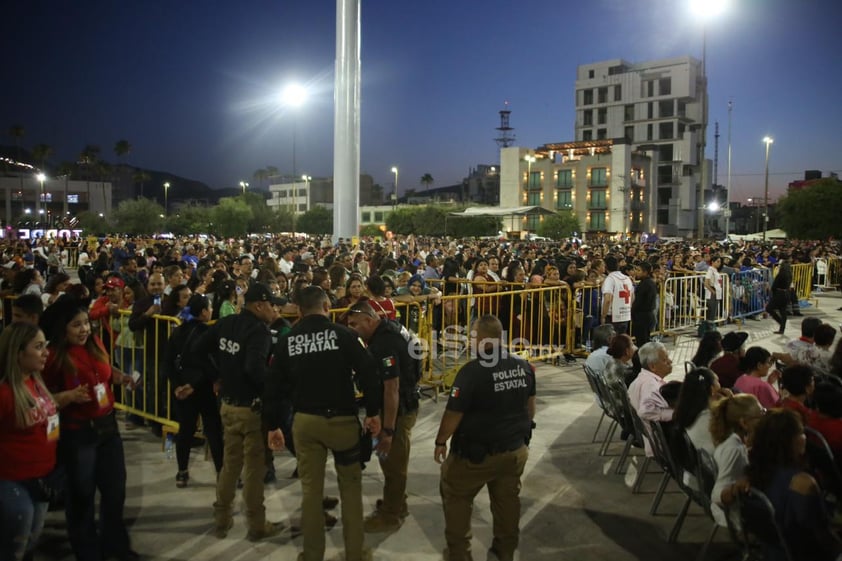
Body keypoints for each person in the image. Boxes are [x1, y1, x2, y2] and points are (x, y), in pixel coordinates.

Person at [265, 286, 382, 561]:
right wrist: (373, 412)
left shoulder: (288, 340)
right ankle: (355, 552)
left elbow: (273, 387)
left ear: (299, 309)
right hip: (342, 420)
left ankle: (312, 553)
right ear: (327, 306)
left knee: (310, 491)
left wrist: (272, 425)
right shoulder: (344, 335)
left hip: (306, 421)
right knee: (351, 490)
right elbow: (369, 371)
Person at [40, 296, 138, 561]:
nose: (84, 329)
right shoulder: (51, 357)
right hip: (78, 434)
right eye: (76, 325)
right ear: (63, 328)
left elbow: (105, 373)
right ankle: (87, 552)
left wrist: (122, 377)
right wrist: (67, 397)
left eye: (86, 323)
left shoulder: (95, 344)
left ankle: (115, 545)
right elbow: (41, 397)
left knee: (115, 492)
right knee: (81, 496)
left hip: (108, 429)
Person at [434, 315, 536, 561]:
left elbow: (453, 413)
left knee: (456, 497)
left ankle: (459, 555)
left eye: (471, 336)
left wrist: (440, 441)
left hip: (475, 456)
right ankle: (504, 552)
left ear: (480, 339)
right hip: (514, 451)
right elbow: (529, 408)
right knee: (507, 504)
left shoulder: (472, 372)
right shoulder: (523, 366)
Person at [196, 283, 283, 541]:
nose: (275, 310)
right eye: (272, 305)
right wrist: (274, 387)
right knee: (255, 468)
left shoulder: (226, 323)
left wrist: (217, 376)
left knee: (230, 465)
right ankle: (257, 525)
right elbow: (254, 369)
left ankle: (222, 519)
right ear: (259, 305)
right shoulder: (259, 331)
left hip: (228, 406)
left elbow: (198, 349)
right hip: (251, 410)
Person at [345, 300, 422, 533]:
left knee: (392, 463)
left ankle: (391, 516)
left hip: (397, 410)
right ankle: (397, 502)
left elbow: (391, 388)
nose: (352, 329)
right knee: (392, 462)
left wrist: (388, 429)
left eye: (354, 324)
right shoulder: (392, 327)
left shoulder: (384, 343)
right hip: (405, 402)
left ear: (369, 320)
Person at [746, 408, 842, 561]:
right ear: (791, 441)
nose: (805, 437)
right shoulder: (802, 484)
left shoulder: (754, 474)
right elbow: (823, 538)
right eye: (801, 432)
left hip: (772, 552)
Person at [0, 323, 61, 561]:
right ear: (17, 353)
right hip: (12, 481)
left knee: (30, 545)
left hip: (42, 478)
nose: (46, 352)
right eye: (38, 347)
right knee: (14, 548)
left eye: (45, 345)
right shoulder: (4, 393)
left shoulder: (36, 381)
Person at [161, 294, 223, 488]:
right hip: (203, 390)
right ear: (204, 311)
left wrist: (177, 386)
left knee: (185, 431)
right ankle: (222, 473)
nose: (211, 311)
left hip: (182, 391)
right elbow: (210, 366)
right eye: (209, 308)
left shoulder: (177, 332)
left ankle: (182, 472)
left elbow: (168, 362)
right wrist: (193, 386)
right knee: (213, 431)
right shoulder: (208, 333)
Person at [709, 393, 764, 527]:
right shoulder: (733, 449)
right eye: (761, 414)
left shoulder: (734, 442)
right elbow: (717, 495)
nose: (764, 418)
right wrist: (736, 488)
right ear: (744, 423)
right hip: (736, 516)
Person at [600, 255, 634, 335]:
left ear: (606, 266)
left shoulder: (610, 279)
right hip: (625, 315)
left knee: (612, 342)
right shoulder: (627, 278)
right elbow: (632, 296)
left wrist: (603, 316)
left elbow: (608, 299)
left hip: (612, 316)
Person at [630, 261, 657, 346]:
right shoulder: (649, 282)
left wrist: (632, 311)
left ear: (645, 272)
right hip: (648, 315)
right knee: (645, 340)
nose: (636, 272)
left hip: (642, 317)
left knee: (642, 342)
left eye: (639, 270)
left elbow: (638, 302)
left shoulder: (645, 284)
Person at [767, 254, 792, 334]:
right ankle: (782, 328)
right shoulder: (789, 275)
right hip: (786, 293)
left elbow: (774, 286)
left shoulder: (780, 275)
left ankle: (780, 322)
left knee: (769, 308)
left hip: (779, 293)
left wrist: (773, 293)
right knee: (783, 311)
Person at [703, 254, 724, 322]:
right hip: (712, 292)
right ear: (712, 262)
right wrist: (712, 291)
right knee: (711, 310)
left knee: (714, 310)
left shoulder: (715, 270)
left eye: (720, 262)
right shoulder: (710, 270)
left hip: (717, 291)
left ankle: (711, 324)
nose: (719, 263)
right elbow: (706, 283)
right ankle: (709, 325)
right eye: (717, 261)